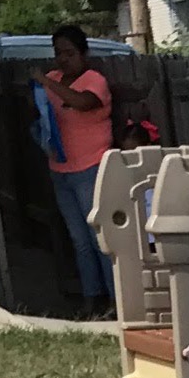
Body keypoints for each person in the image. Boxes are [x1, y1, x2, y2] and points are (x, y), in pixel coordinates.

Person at [41, 25, 116, 316]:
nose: (63, 59)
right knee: (78, 240)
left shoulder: (94, 80)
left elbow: (82, 102)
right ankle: (90, 300)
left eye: (70, 53)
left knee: (100, 237)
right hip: (60, 168)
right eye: (58, 53)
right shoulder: (52, 79)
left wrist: (46, 84)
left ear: (83, 53)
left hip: (91, 167)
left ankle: (114, 299)